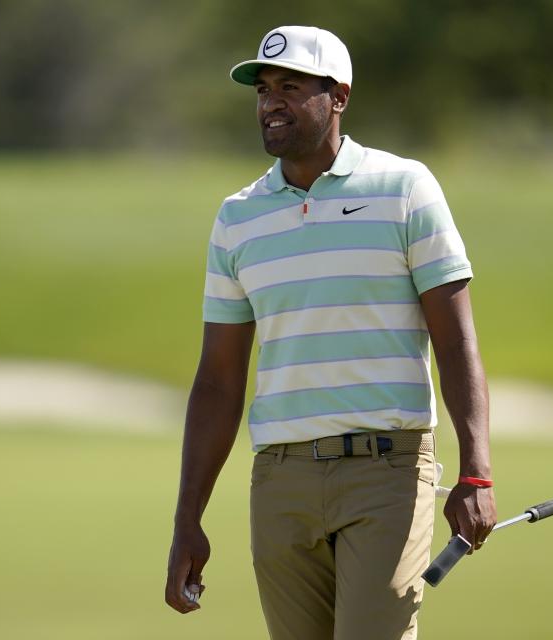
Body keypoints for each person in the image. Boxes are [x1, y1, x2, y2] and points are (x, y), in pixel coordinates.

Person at [165, 25, 497, 639]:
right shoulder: (238, 217)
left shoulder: (404, 188)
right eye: (263, 90)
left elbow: (456, 342)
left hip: (387, 472)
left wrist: (476, 471)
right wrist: (189, 519)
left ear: (338, 96)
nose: (270, 103)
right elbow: (216, 382)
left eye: (290, 86)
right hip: (280, 481)